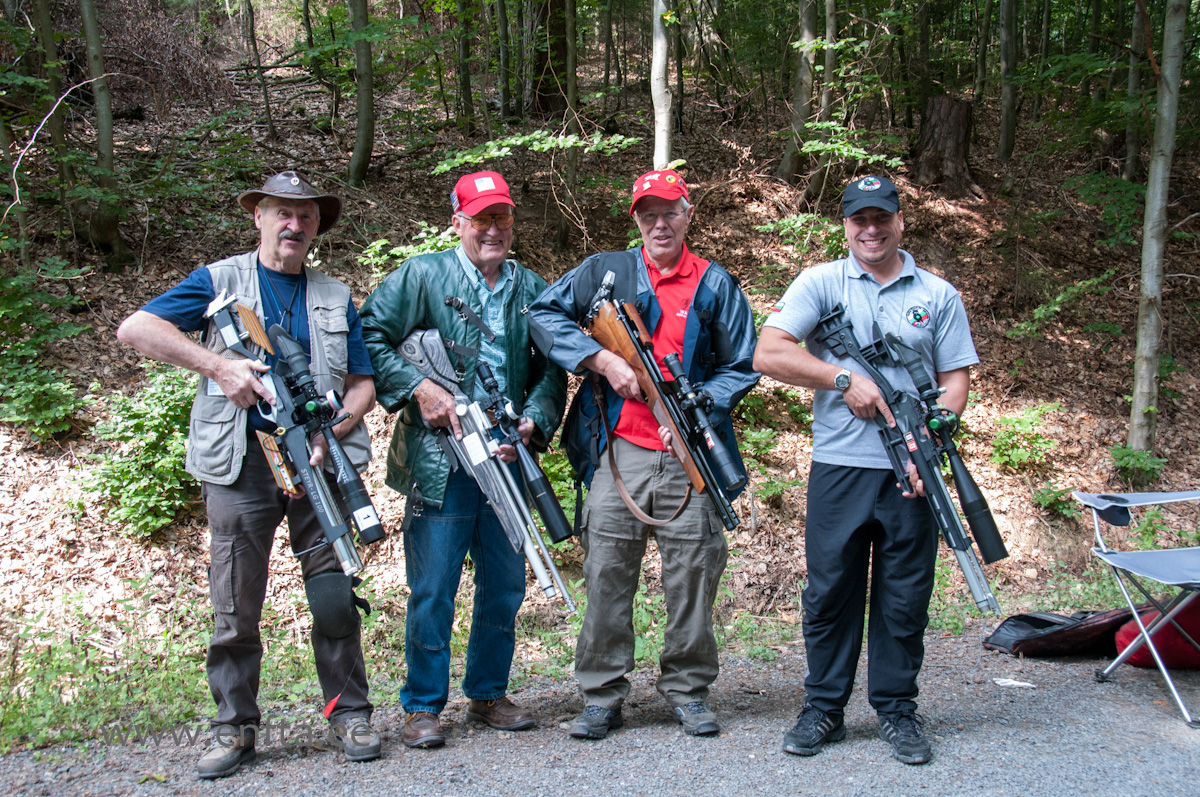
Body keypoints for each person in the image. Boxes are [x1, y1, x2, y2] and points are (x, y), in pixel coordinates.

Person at [116, 170, 381, 778]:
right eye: (282, 212)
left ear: (317, 227)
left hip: (319, 461)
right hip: (241, 464)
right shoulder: (219, 281)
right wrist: (218, 367)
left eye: (306, 215)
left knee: (334, 594)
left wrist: (335, 428)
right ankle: (234, 726)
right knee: (235, 600)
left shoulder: (334, 294)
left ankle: (350, 714)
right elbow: (137, 328)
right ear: (258, 216)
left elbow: (362, 383)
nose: (294, 224)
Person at [753, 175, 980, 765]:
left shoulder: (938, 293)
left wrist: (935, 431)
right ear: (846, 225)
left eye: (882, 218)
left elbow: (955, 377)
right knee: (829, 591)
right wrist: (841, 378)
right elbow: (768, 352)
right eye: (860, 219)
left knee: (905, 596)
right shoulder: (820, 283)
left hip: (914, 467)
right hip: (840, 466)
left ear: (900, 221)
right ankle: (824, 708)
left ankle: (897, 710)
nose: (871, 229)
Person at [529, 169, 759, 739]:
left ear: (688, 214)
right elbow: (542, 315)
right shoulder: (605, 272)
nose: (660, 224)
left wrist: (701, 402)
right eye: (648, 213)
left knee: (694, 576)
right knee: (606, 574)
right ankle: (601, 695)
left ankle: (688, 689)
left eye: (670, 212)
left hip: (689, 450)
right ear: (636, 219)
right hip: (619, 451)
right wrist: (601, 359)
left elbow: (744, 365)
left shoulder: (715, 284)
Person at [359, 170, 566, 749]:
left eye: (501, 217)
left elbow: (553, 365)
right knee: (433, 588)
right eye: (481, 219)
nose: (493, 229)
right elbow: (368, 334)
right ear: (458, 223)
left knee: (504, 585)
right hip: (441, 459)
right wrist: (418, 387)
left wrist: (534, 420)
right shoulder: (422, 275)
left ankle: (488, 694)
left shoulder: (531, 287)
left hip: (506, 456)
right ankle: (423, 705)